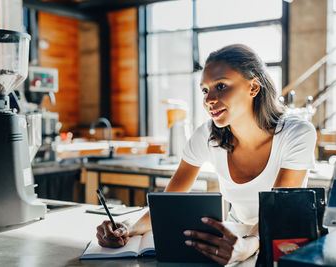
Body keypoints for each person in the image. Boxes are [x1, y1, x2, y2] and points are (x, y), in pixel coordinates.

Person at [95, 44, 317, 265]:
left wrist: (248, 245)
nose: (209, 99)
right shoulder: (207, 135)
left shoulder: (297, 133)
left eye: (221, 86)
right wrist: (127, 227)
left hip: (285, 236)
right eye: (204, 90)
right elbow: (170, 202)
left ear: (253, 88)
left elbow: (278, 209)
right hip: (237, 231)